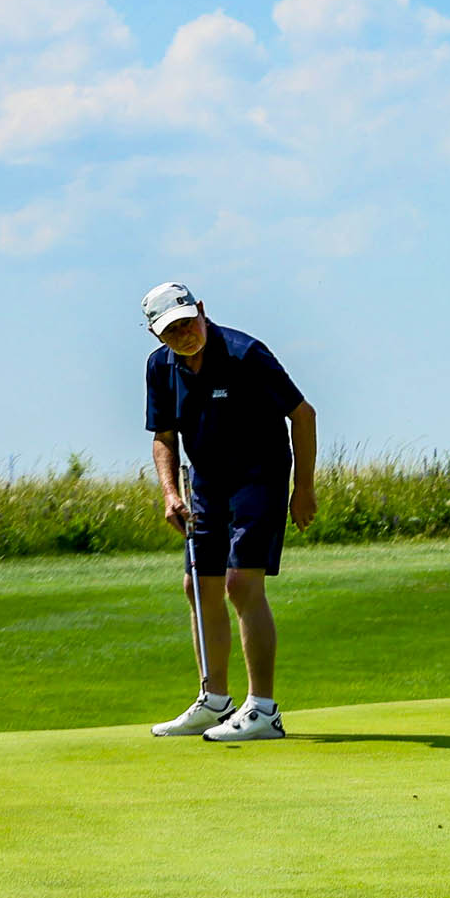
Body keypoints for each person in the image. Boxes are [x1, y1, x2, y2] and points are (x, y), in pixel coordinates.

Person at [140, 284, 317, 743]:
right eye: (171, 331)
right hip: (206, 484)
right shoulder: (160, 367)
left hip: (260, 478)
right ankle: (215, 700)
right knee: (198, 586)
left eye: (188, 323)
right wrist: (170, 494)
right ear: (156, 335)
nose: (184, 335)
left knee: (240, 584)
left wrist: (303, 489)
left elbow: (303, 414)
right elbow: (164, 436)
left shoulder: (245, 354)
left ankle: (263, 710)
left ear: (201, 310)